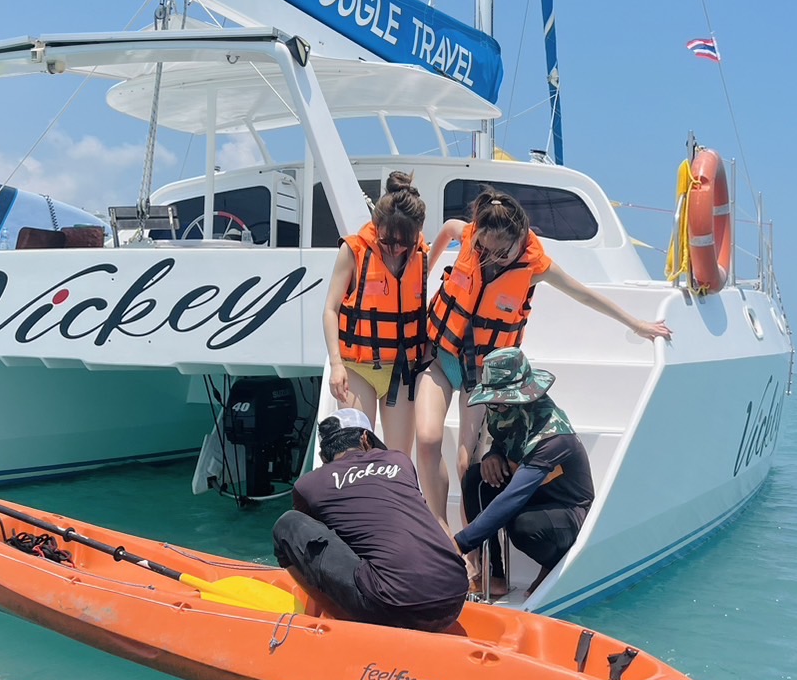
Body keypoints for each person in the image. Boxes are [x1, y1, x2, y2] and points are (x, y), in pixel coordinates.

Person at [414, 186, 672, 524]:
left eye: (501, 253)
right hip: (442, 355)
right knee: (429, 440)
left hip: (484, 376)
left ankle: (472, 551)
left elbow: (585, 296)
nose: (492, 258)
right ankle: (442, 532)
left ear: (520, 237)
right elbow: (447, 230)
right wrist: (420, 286)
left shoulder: (537, 267)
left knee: (467, 461)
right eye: (485, 249)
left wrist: (636, 324)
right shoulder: (467, 234)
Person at [272, 408, 468, 632]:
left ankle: (333, 624)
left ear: (323, 456)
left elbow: (310, 550)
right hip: (456, 594)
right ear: (366, 439)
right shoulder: (399, 460)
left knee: (287, 525)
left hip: (396, 607)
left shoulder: (309, 485)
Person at [454, 347, 594, 597]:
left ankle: (552, 566)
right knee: (476, 478)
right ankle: (494, 575)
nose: (497, 405)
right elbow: (505, 438)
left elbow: (514, 497)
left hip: (567, 508)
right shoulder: (502, 409)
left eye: (503, 399)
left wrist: (460, 542)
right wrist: (492, 455)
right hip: (533, 492)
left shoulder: (553, 437)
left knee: (524, 526)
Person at [322, 171, 429, 455]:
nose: (395, 249)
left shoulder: (422, 254)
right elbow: (330, 310)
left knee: (399, 458)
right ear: (375, 226)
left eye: (403, 242)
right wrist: (336, 365)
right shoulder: (353, 251)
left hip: (401, 370)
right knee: (356, 454)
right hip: (357, 368)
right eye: (386, 240)